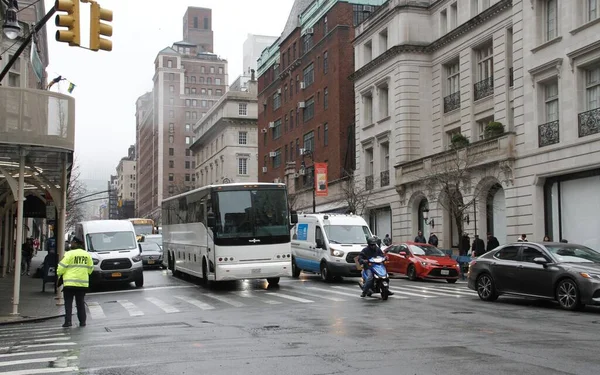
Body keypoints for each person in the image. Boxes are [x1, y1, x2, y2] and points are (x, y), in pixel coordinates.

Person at [57, 237, 93, 328]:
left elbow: (61, 267)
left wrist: (59, 274)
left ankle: (68, 321)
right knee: (80, 303)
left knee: (68, 303)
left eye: (72, 242)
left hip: (69, 284)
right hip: (82, 284)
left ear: (75, 243)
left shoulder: (69, 254)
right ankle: (82, 322)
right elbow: (90, 269)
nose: (71, 244)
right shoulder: (86, 255)